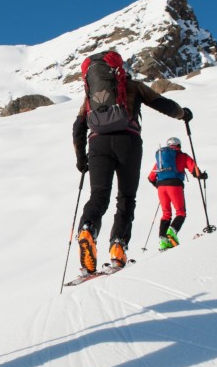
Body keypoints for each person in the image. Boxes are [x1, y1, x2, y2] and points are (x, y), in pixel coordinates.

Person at [73, 50, 191, 274]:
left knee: (99, 195)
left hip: (98, 144)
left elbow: (79, 125)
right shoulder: (133, 86)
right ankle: (118, 246)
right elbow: (163, 104)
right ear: (119, 70)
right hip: (128, 142)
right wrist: (183, 114)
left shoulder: (91, 97)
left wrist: (81, 157)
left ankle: (87, 229)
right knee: (126, 198)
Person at [147, 136, 207, 250]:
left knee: (166, 214)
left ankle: (163, 240)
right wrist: (203, 175)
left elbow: (150, 177)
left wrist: (159, 185)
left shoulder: (161, 159)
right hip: (174, 185)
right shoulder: (182, 156)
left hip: (161, 187)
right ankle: (172, 232)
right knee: (181, 212)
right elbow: (194, 170)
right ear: (179, 146)